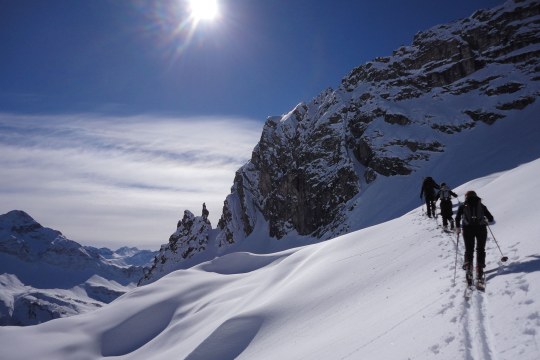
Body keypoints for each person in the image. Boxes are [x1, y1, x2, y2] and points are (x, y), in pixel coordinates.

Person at [455, 191, 494, 283]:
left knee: (469, 249)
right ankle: (479, 269)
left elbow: (457, 218)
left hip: (467, 229)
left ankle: (469, 268)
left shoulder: (463, 205)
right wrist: (485, 220)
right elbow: (491, 218)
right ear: (476, 196)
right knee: (480, 249)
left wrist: (458, 228)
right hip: (481, 229)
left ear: (466, 197)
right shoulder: (481, 205)